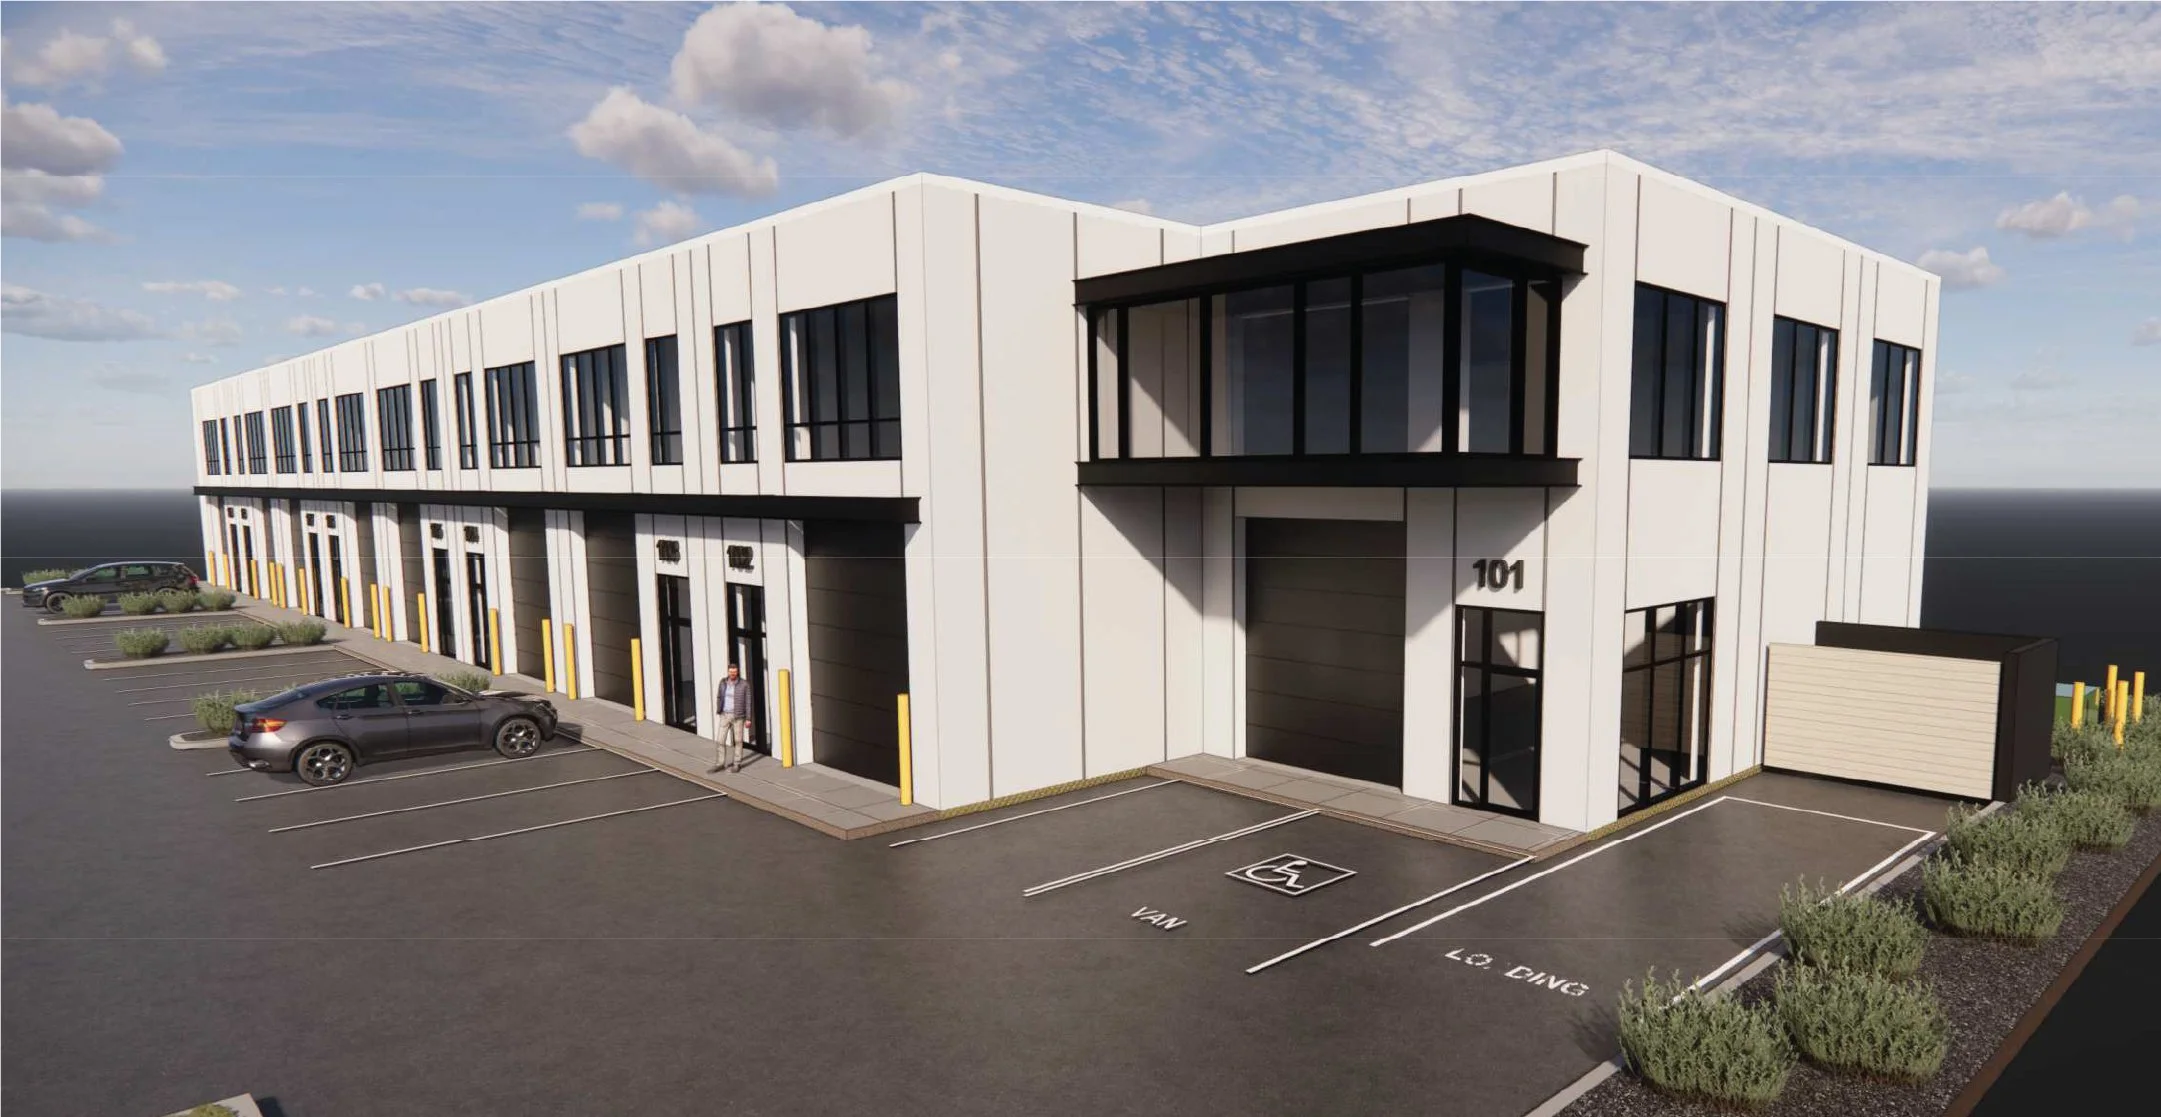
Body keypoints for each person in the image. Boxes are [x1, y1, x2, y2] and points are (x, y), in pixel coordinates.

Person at [712, 663, 753, 773]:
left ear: (737, 672)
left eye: (734, 672)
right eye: (731, 672)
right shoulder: (723, 682)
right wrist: (719, 708)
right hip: (725, 715)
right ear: (728, 672)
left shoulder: (744, 684)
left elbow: (748, 702)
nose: (733, 674)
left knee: (738, 741)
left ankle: (737, 764)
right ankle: (720, 763)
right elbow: (719, 696)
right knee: (720, 740)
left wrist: (748, 718)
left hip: (738, 716)